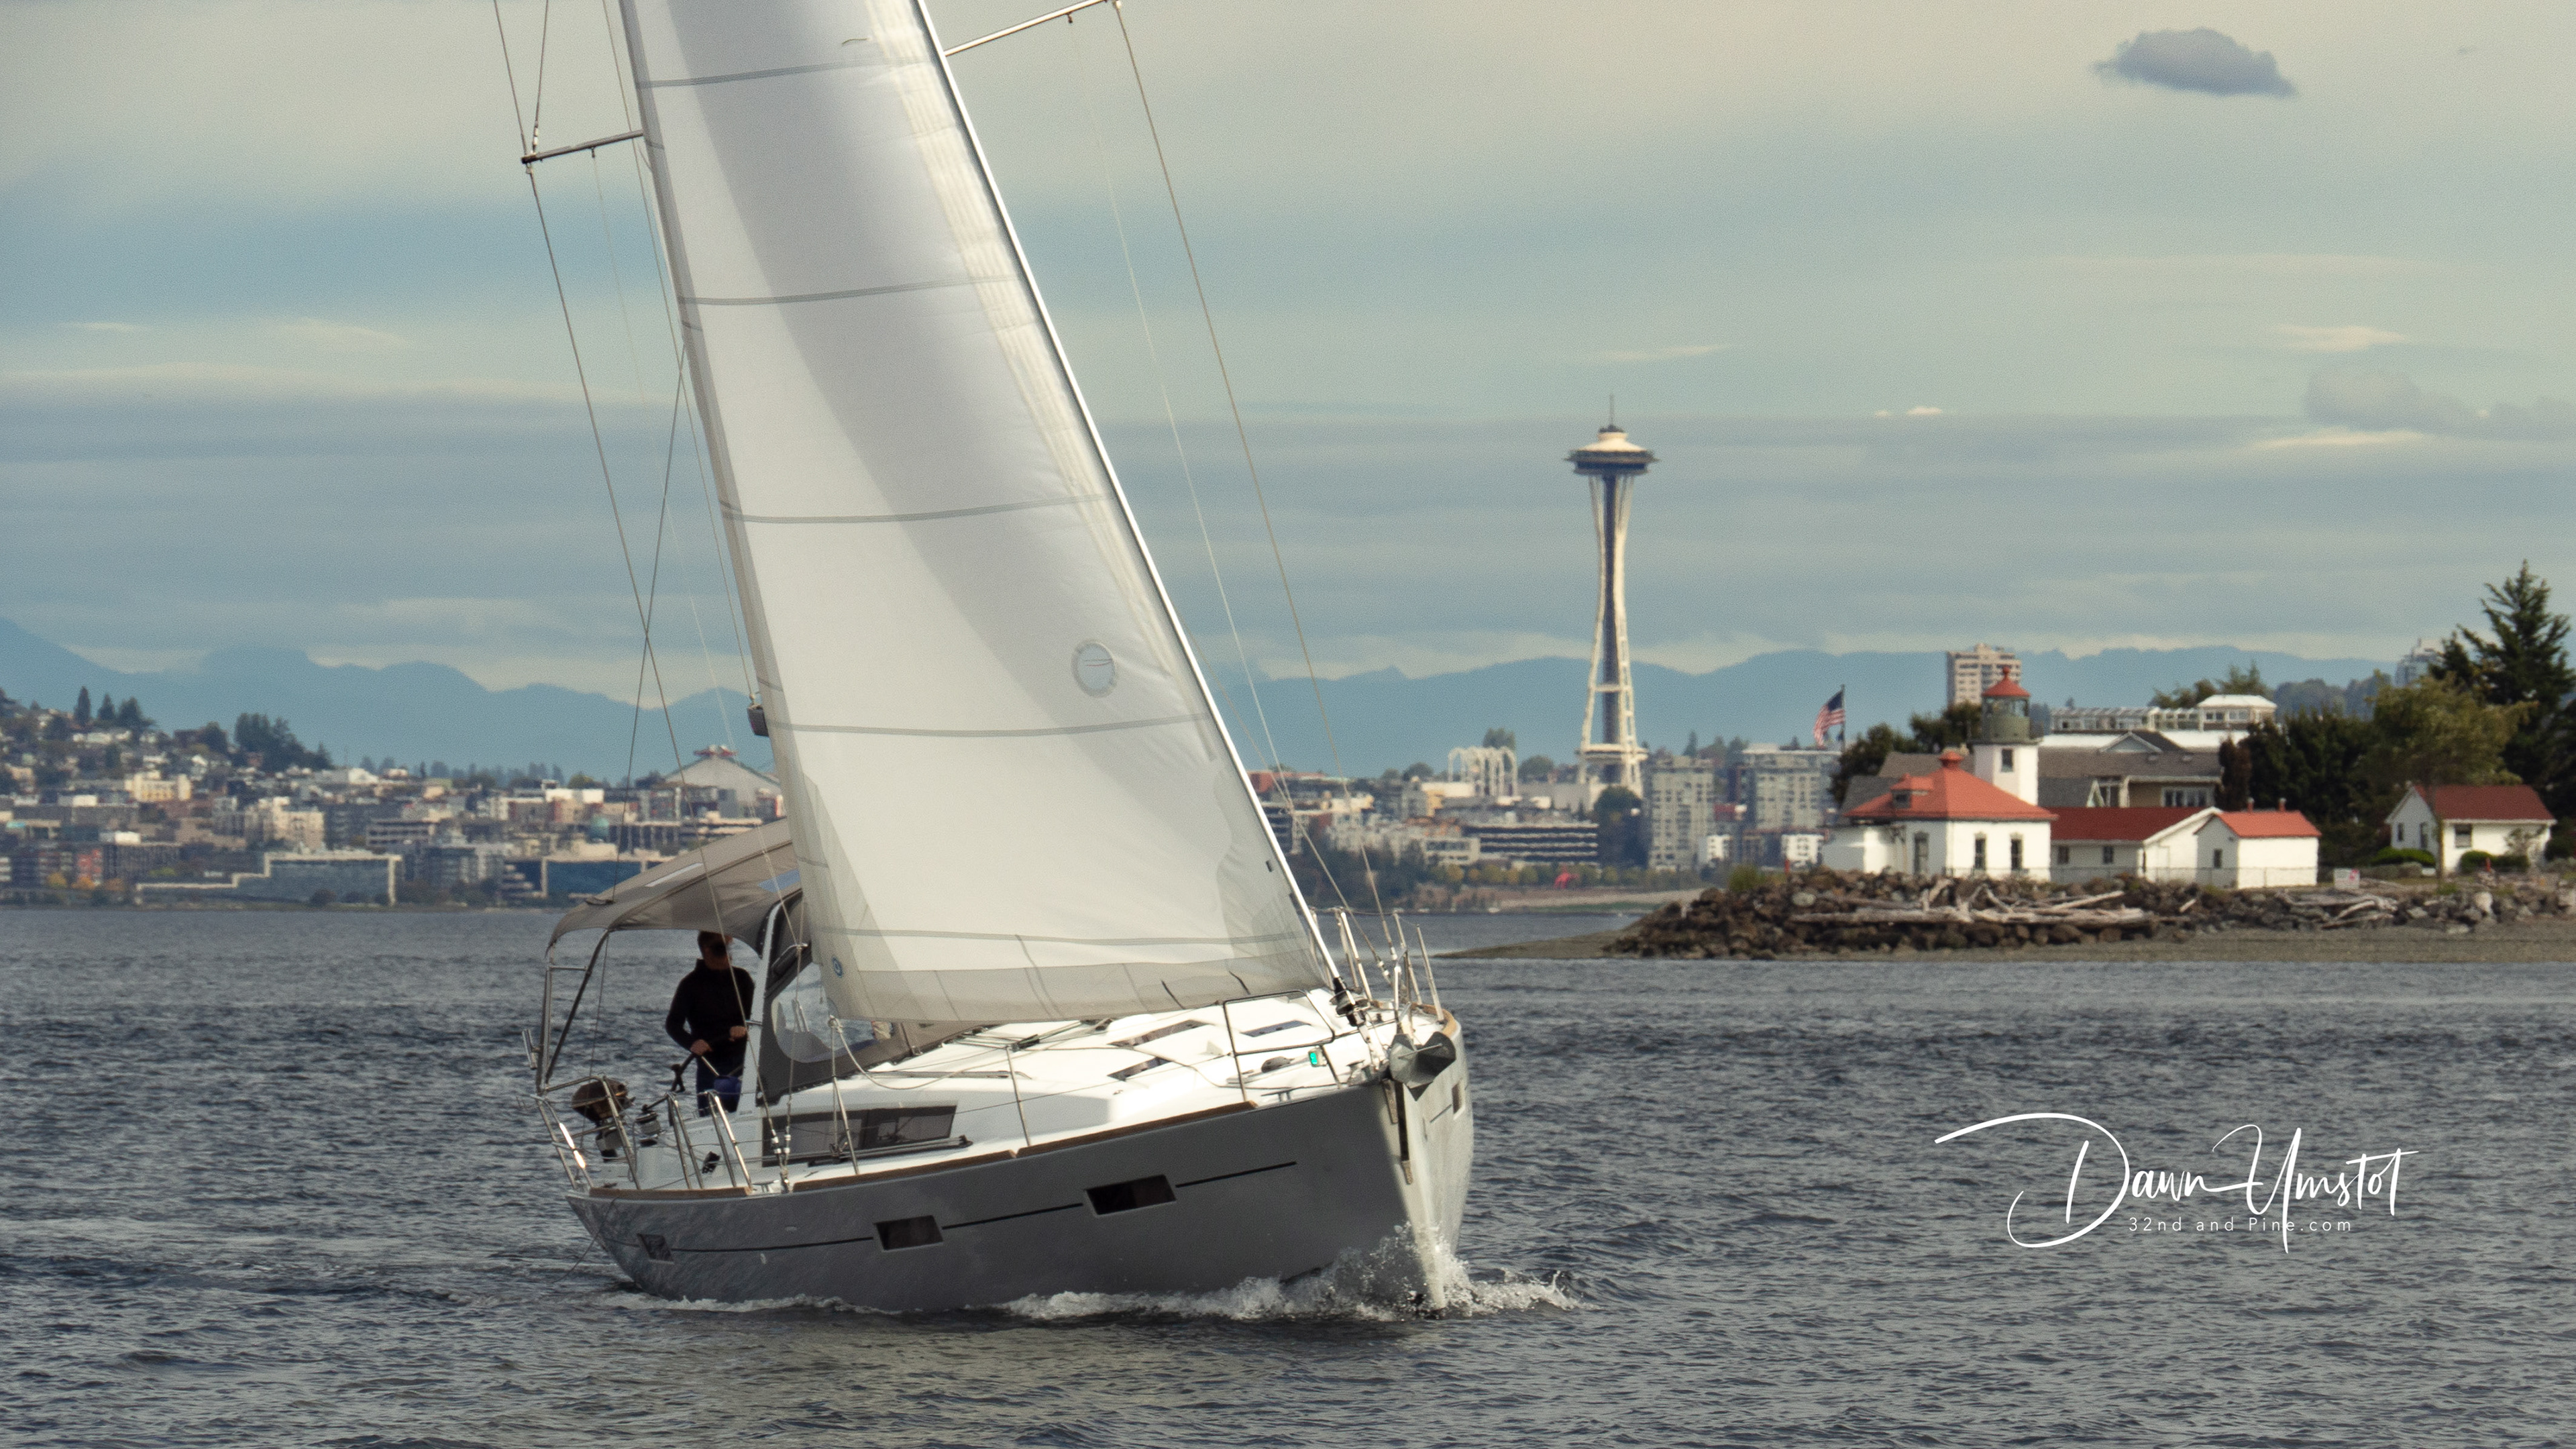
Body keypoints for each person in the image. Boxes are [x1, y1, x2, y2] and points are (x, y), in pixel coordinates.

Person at [665, 930, 756, 1117]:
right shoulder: (690, 985)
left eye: (730, 948)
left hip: (745, 1060)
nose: (729, 955)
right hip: (710, 1064)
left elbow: (757, 1015)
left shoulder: (741, 978)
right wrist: (692, 1043)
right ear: (707, 950)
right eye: (723, 949)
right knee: (710, 1118)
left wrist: (744, 1027)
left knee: (751, 1113)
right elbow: (673, 1024)